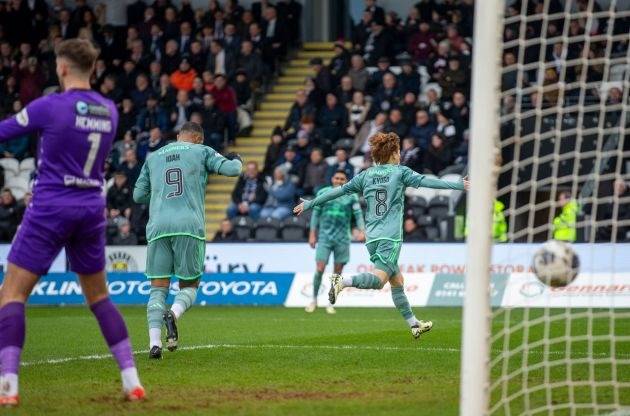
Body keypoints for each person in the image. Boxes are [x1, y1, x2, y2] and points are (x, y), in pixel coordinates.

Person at [0, 39, 144, 406]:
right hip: (91, 207)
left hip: (51, 205)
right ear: (92, 69)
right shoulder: (109, 111)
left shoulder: (50, 106)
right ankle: (132, 381)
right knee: (99, 297)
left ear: (62, 68)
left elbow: (5, 131)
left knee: (13, 294)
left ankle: (9, 387)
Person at [294, 132, 469, 339]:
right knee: (379, 281)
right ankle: (342, 281)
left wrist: (309, 203)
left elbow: (336, 192)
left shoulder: (365, 175)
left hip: (372, 238)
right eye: (398, 151)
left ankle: (414, 324)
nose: (400, 155)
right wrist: (460, 184)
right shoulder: (400, 172)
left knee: (397, 281)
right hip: (390, 237)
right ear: (394, 153)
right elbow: (428, 182)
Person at [133, 122, 242, 359]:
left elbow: (138, 195)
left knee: (157, 289)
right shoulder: (201, 151)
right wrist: (238, 158)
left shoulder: (153, 157)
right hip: (188, 226)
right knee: (190, 285)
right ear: (198, 139)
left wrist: (160, 193)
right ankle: (173, 313)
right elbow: (233, 170)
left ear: (179, 136)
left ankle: (154, 344)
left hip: (158, 227)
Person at [306, 170, 365, 314]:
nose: (339, 181)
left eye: (342, 179)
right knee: (319, 268)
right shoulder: (323, 193)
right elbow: (315, 215)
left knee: (337, 273)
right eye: (337, 178)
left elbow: (358, 215)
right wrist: (312, 235)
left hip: (343, 238)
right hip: (325, 237)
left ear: (345, 181)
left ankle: (330, 302)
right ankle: (314, 299)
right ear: (332, 179)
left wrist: (362, 230)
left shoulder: (351, 195)